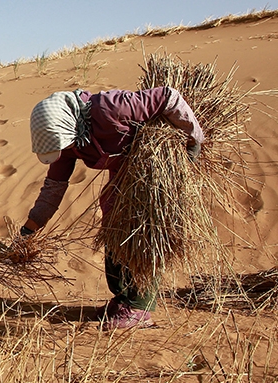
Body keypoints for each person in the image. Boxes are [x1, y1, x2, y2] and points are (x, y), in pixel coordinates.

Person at [22, 87, 204, 330]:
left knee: (140, 232)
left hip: (151, 176)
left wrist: (194, 139)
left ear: (69, 125)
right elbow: (53, 190)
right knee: (113, 228)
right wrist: (28, 231)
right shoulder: (67, 146)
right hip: (121, 179)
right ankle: (123, 299)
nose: (63, 151)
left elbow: (168, 97)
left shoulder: (110, 107)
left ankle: (139, 308)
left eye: (63, 145)